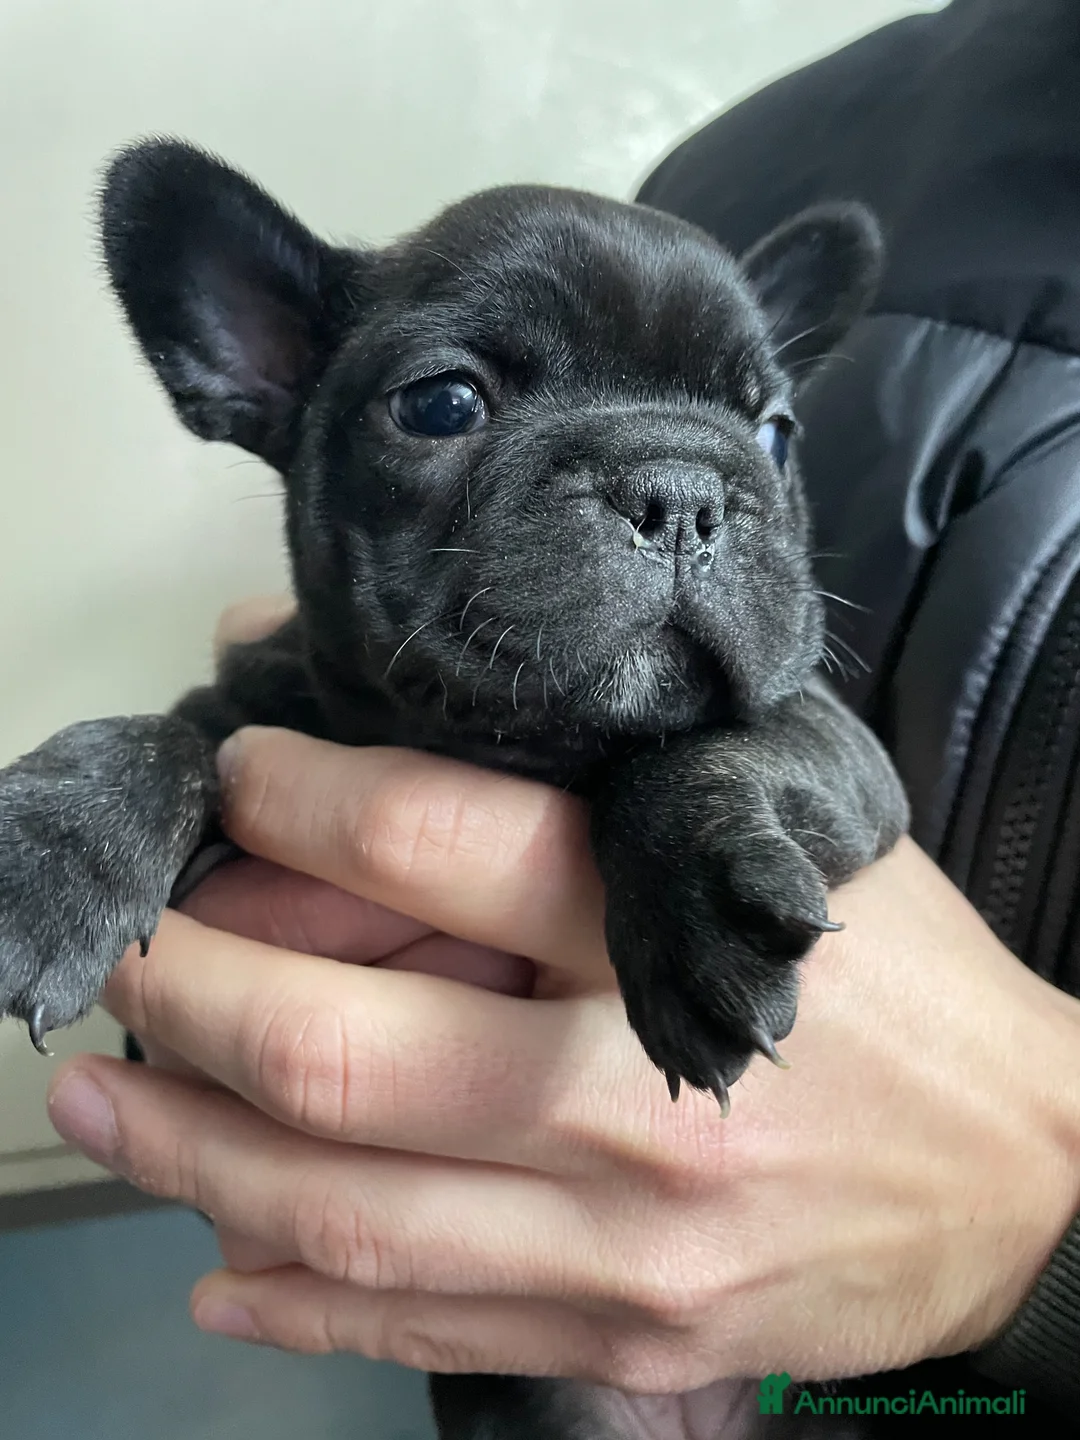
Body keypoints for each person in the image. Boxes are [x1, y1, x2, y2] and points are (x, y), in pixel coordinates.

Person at [45, 0, 1080, 1429]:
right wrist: (101, 818)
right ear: (268, 369)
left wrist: (692, 813)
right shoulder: (768, 148)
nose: (683, 501)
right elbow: (206, 775)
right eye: (450, 403)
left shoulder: (746, 713)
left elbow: (836, 775)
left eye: (761, 437)